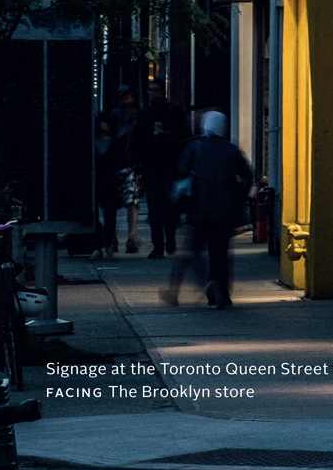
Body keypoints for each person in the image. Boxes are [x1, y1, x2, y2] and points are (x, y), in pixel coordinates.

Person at [161, 111, 252, 309]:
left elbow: (181, 170)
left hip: (199, 209)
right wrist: (239, 196)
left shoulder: (196, 147)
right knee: (220, 253)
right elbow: (248, 175)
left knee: (192, 250)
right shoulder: (231, 150)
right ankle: (221, 295)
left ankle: (205, 283)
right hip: (225, 212)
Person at [134, 83, 189, 259]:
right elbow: (138, 140)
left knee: (168, 204)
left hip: (168, 165)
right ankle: (158, 244)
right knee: (154, 207)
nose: (152, 94)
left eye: (155, 90)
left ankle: (170, 238)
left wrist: (169, 134)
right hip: (151, 166)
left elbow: (183, 137)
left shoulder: (173, 112)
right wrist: (138, 166)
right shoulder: (144, 114)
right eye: (149, 90)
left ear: (162, 92)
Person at [108, 85, 142, 253]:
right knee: (115, 202)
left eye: (128, 96)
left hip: (131, 164)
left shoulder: (137, 117)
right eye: (123, 96)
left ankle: (131, 237)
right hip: (118, 163)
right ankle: (115, 236)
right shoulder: (114, 117)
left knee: (132, 201)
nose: (126, 100)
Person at [91, 114, 121, 258]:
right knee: (95, 215)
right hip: (97, 181)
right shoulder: (94, 141)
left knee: (110, 216)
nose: (105, 126)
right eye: (103, 123)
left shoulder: (115, 142)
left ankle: (108, 241)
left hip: (110, 182)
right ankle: (98, 244)